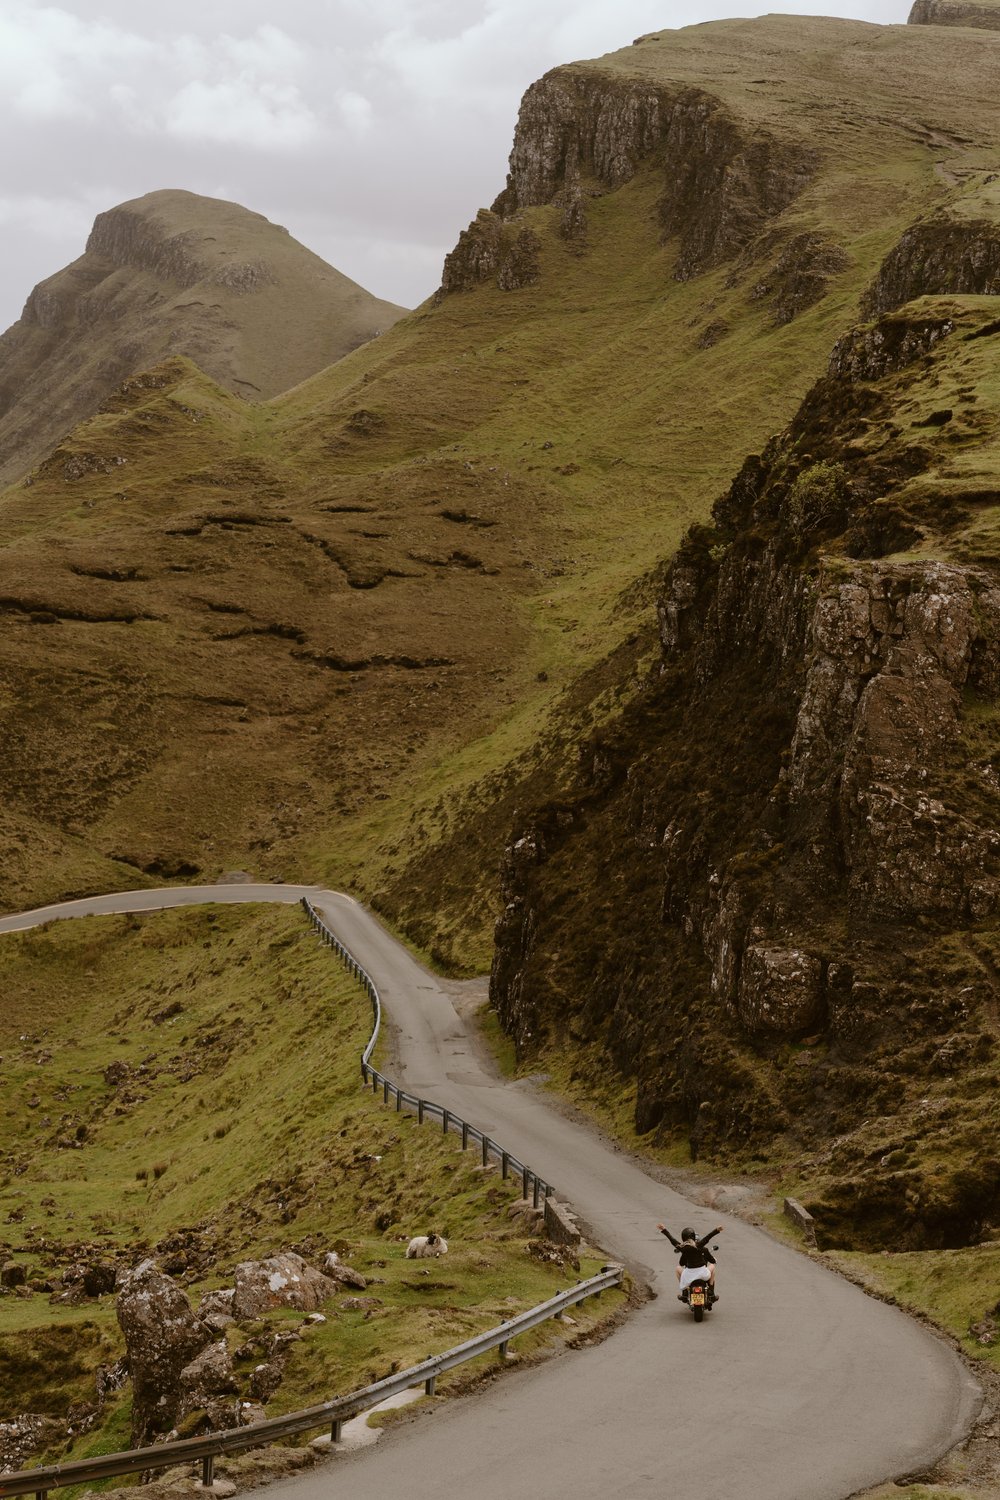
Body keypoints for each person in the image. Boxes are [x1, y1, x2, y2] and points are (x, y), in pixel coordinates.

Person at [657, 1222, 723, 1302]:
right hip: (703, 1274)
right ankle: (711, 1292)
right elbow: (707, 1237)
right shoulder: (699, 1245)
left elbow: (672, 1240)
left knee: (678, 1268)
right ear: (694, 1236)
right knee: (712, 1266)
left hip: (688, 1276)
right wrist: (717, 1230)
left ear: (683, 1238)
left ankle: (684, 1293)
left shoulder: (682, 1248)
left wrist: (664, 1230)